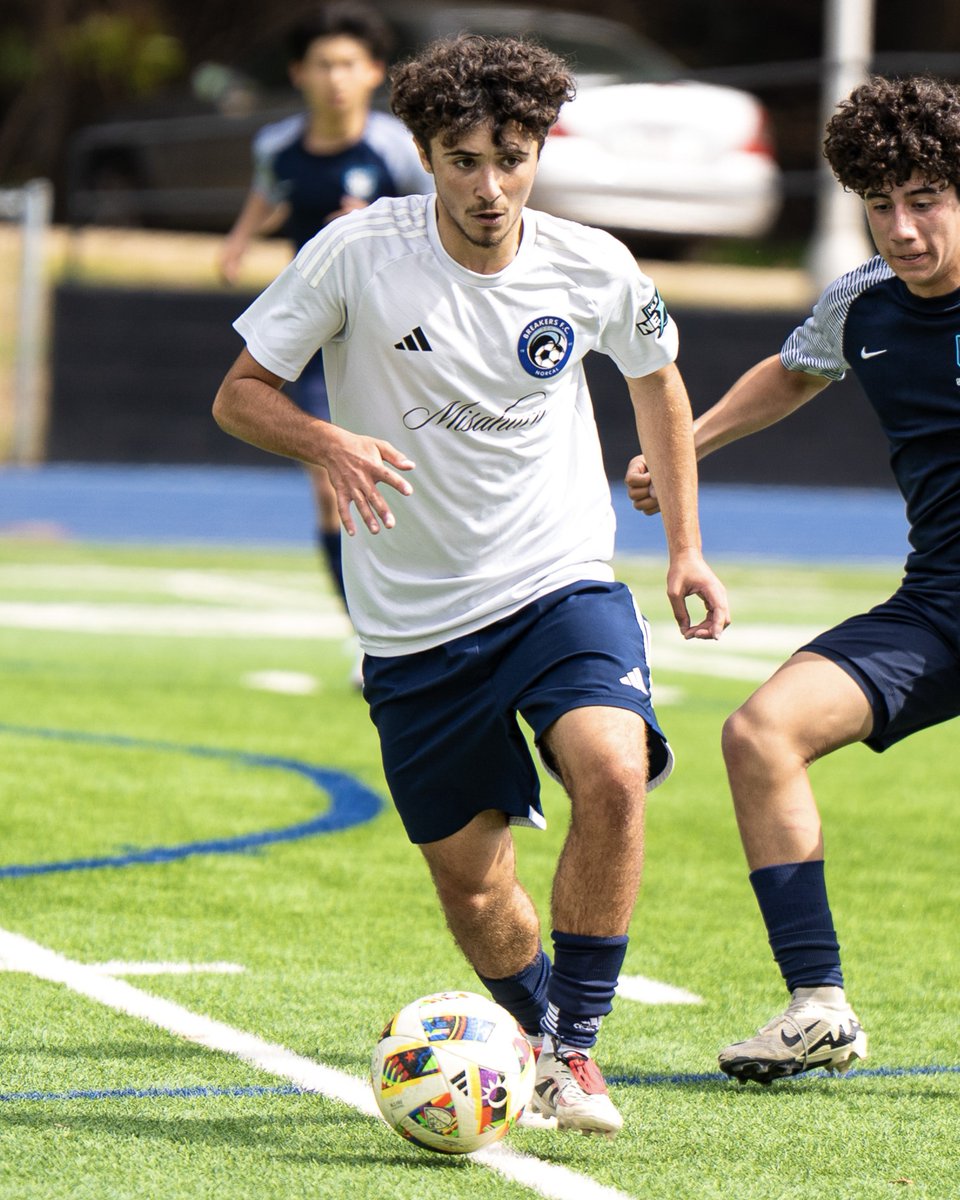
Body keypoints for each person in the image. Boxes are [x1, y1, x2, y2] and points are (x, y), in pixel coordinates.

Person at [214, 33, 728, 1136]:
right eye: (461, 159)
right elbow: (240, 393)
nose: (490, 187)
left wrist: (685, 546)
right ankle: (535, 1035)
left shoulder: (594, 264)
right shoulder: (355, 254)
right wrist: (328, 444)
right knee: (477, 888)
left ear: (541, 145)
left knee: (614, 766)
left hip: (560, 580)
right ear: (426, 155)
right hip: (412, 623)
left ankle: (575, 1050)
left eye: (513, 154)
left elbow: (661, 390)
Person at [628, 73, 960, 1085]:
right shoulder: (864, 305)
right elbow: (796, 368)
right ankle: (819, 1006)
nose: (901, 228)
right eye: (880, 205)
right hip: (942, 605)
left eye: (926, 199)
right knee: (760, 733)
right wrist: (688, 445)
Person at [219, 2, 431, 679]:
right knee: (327, 486)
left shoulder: (398, 148)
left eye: (349, 64)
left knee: (414, 478)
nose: (336, 78)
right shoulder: (277, 146)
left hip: (396, 336)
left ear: (373, 73)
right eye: (322, 64)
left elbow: (440, 221)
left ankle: (435, 615)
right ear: (299, 74)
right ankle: (371, 636)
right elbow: (268, 190)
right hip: (316, 336)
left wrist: (377, 224)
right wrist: (241, 238)